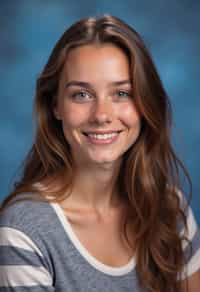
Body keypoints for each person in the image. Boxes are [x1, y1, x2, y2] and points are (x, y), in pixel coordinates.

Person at [0, 15, 199, 292]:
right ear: (55, 105)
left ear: (145, 103)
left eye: (122, 93)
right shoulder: (23, 232)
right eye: (82, 95)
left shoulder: (168, 208)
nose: (102, 115)